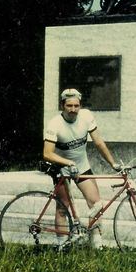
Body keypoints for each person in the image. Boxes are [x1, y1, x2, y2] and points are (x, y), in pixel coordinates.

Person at [42, 88, 121, 249]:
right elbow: (47, 154)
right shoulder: (55, 124)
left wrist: (113, 164)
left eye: (76, 106)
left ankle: (96, 243)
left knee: (96, 203)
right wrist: (67, 163)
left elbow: (99, 142)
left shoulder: (86, 117)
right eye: (69, 106)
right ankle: (62, 244)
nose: (73, 110)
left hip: (82, 166)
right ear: (62, 105)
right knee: (62, 207)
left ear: (80, 105)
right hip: (61, 168)